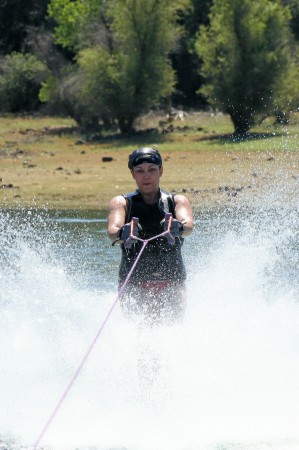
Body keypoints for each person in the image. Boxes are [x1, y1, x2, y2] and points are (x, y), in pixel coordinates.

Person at [107, 147, 194, 324]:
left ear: (160, 171)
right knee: (140, 334)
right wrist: (122, 232)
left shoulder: (177, 201)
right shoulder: (122, 203)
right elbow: (112, 230)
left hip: (172, 281)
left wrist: (178, 227)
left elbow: (189, 225)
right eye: (140, 171)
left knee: (171, 330)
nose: (146, 176)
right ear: (132, 174)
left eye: (152, 170)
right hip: (134, 283)